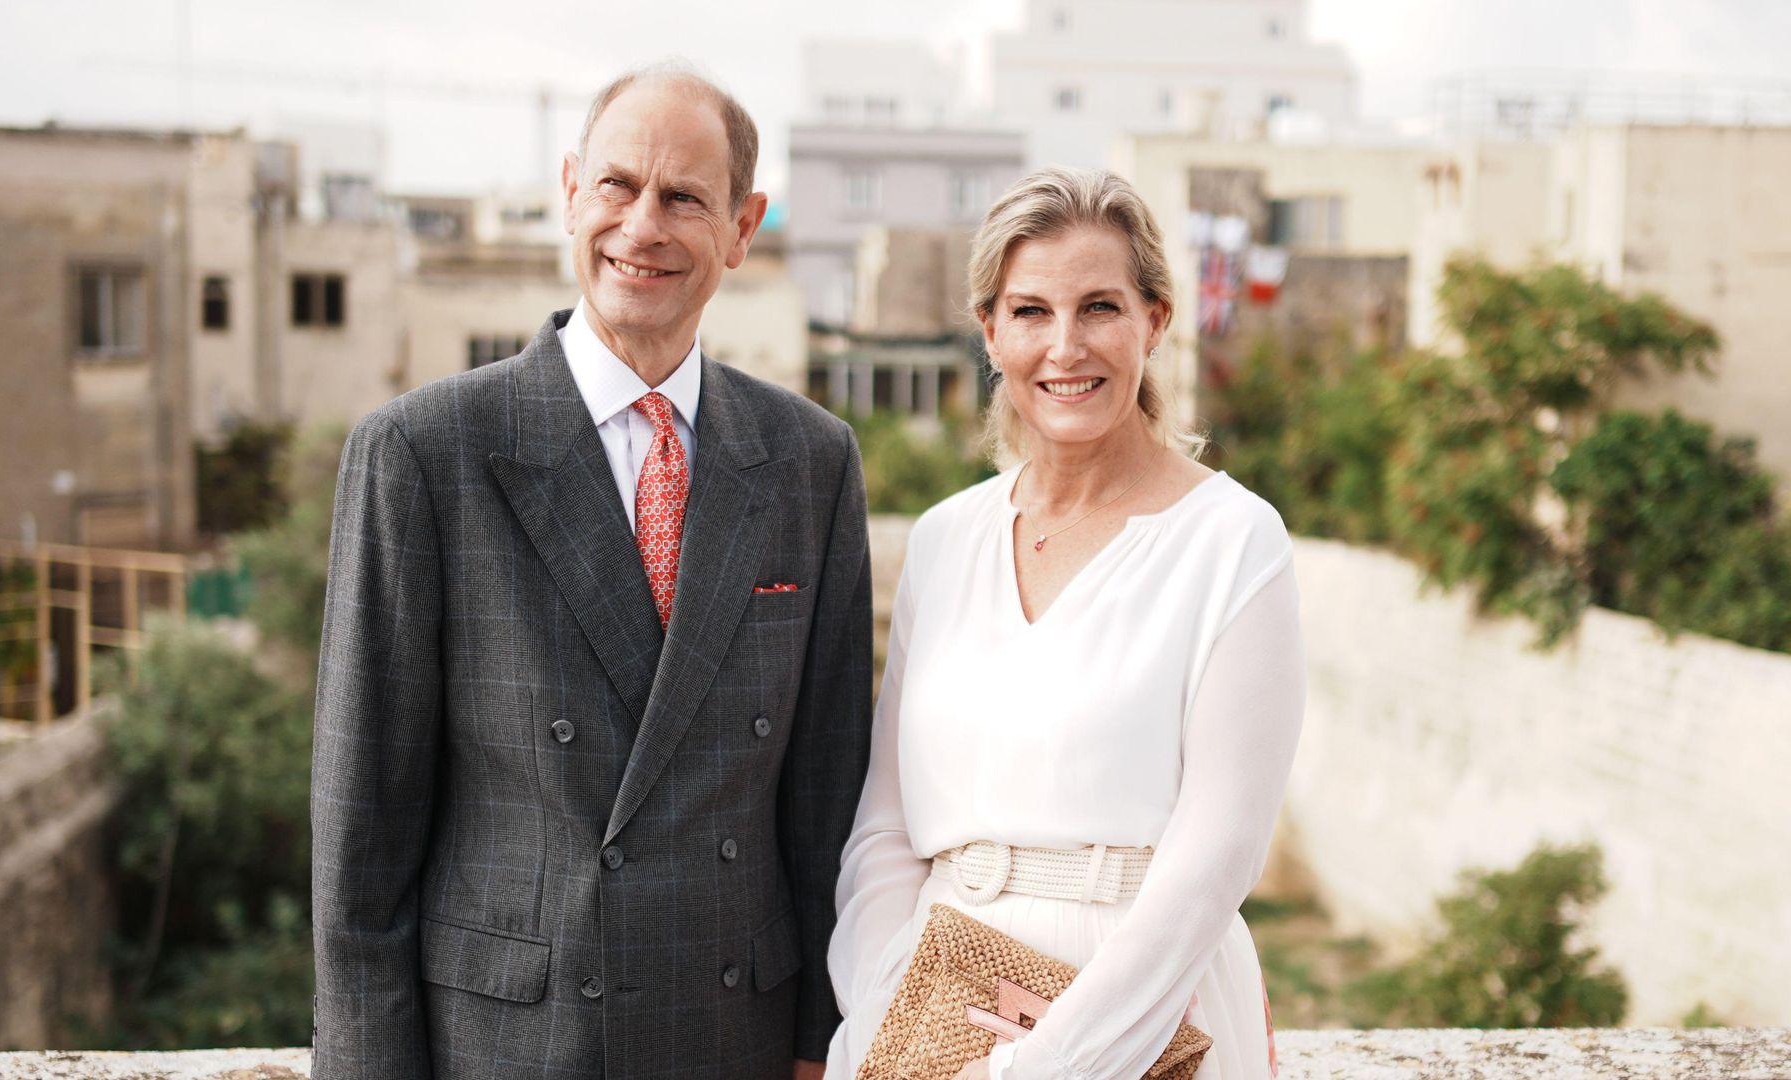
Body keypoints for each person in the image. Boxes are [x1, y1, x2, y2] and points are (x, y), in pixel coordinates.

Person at [311, 64, 872, 1080]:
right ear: (570, 191)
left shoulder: (810, 459)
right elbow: (362, 847)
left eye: (684, 199)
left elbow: (825, 793)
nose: (642, 227)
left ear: (742, 229)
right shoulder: (424, 453)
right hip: (512, 1043)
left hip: (735, 1035)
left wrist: (820, 1042)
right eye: (617, 186)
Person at [824, 167, 1305, 1080]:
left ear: (1154, 320)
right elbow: (884, 825)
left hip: (1150, 1023)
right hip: (932, 1016)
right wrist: (886, 1014)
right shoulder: (942, 541)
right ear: (990, 332)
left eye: (1100, 307)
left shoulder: (1234, 542)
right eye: (1032, 311)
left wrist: (1046, 1067)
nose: (1066, 345)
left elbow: (1216, 857)